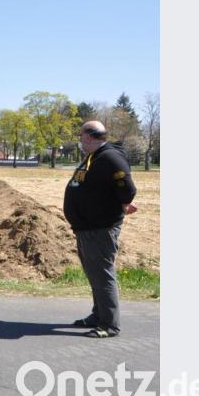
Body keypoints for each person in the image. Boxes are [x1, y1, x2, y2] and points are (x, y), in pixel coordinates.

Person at [64, 121, 137, 338]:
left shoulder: (109, 156)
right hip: (87, 228)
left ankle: (109, 324)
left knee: (103, 275)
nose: (79, 140)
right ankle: (98, 315)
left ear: (88, 137)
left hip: (100, 228)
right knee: (94, 275)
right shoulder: (95, 156)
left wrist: (125, 201)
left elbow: (127, 185)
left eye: (80, 136)